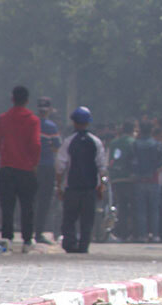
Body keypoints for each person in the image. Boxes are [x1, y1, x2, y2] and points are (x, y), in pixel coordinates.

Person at [0, 86, 41, 252]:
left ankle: (7, 238)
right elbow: (35, 144)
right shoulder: (33, 120)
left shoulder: (3, 119)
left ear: (12, 99)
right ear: (27, 100)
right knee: (27, 206)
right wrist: (33, 163)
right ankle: (27, 239)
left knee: (7, 206)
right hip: (26, 169)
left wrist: (6, 153)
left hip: (7, 168)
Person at [56, 106, 106, 253]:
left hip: (72, 187)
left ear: (74, 122)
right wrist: (101, 185)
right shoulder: (96, 142)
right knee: (87, 219)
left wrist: (58, 186)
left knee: (69, 218)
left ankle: (70, 244)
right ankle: (83, 245)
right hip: (90, 188)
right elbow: (102, 166)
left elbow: (60, 166)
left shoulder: (68, 142)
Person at [130, 119, 162, 242]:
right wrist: (156, 169)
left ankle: (143, 235)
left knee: (141, 210)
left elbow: (131, 161)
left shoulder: (135, 144)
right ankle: (155, 235)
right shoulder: (156, 144)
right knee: (154, 210)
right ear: (151, 130)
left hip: (139, 180)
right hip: (154, 179)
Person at [33, 97, 62, 244]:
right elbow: (57, 146)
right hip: (47, 166)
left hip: (32, 167)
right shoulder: (51, 127)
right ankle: (38, 233)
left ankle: (30, 231)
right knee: (44, 201)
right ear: (49, 110)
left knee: (32, 199)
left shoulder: (31, 124)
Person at [108, 121, 137, 241]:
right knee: (134, 207)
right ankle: (134, 232)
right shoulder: (133, 142)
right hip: (130, 179)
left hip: (116, 178)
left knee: (121, 206)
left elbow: (110, 160)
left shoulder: (114, 143)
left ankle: (122, 232)